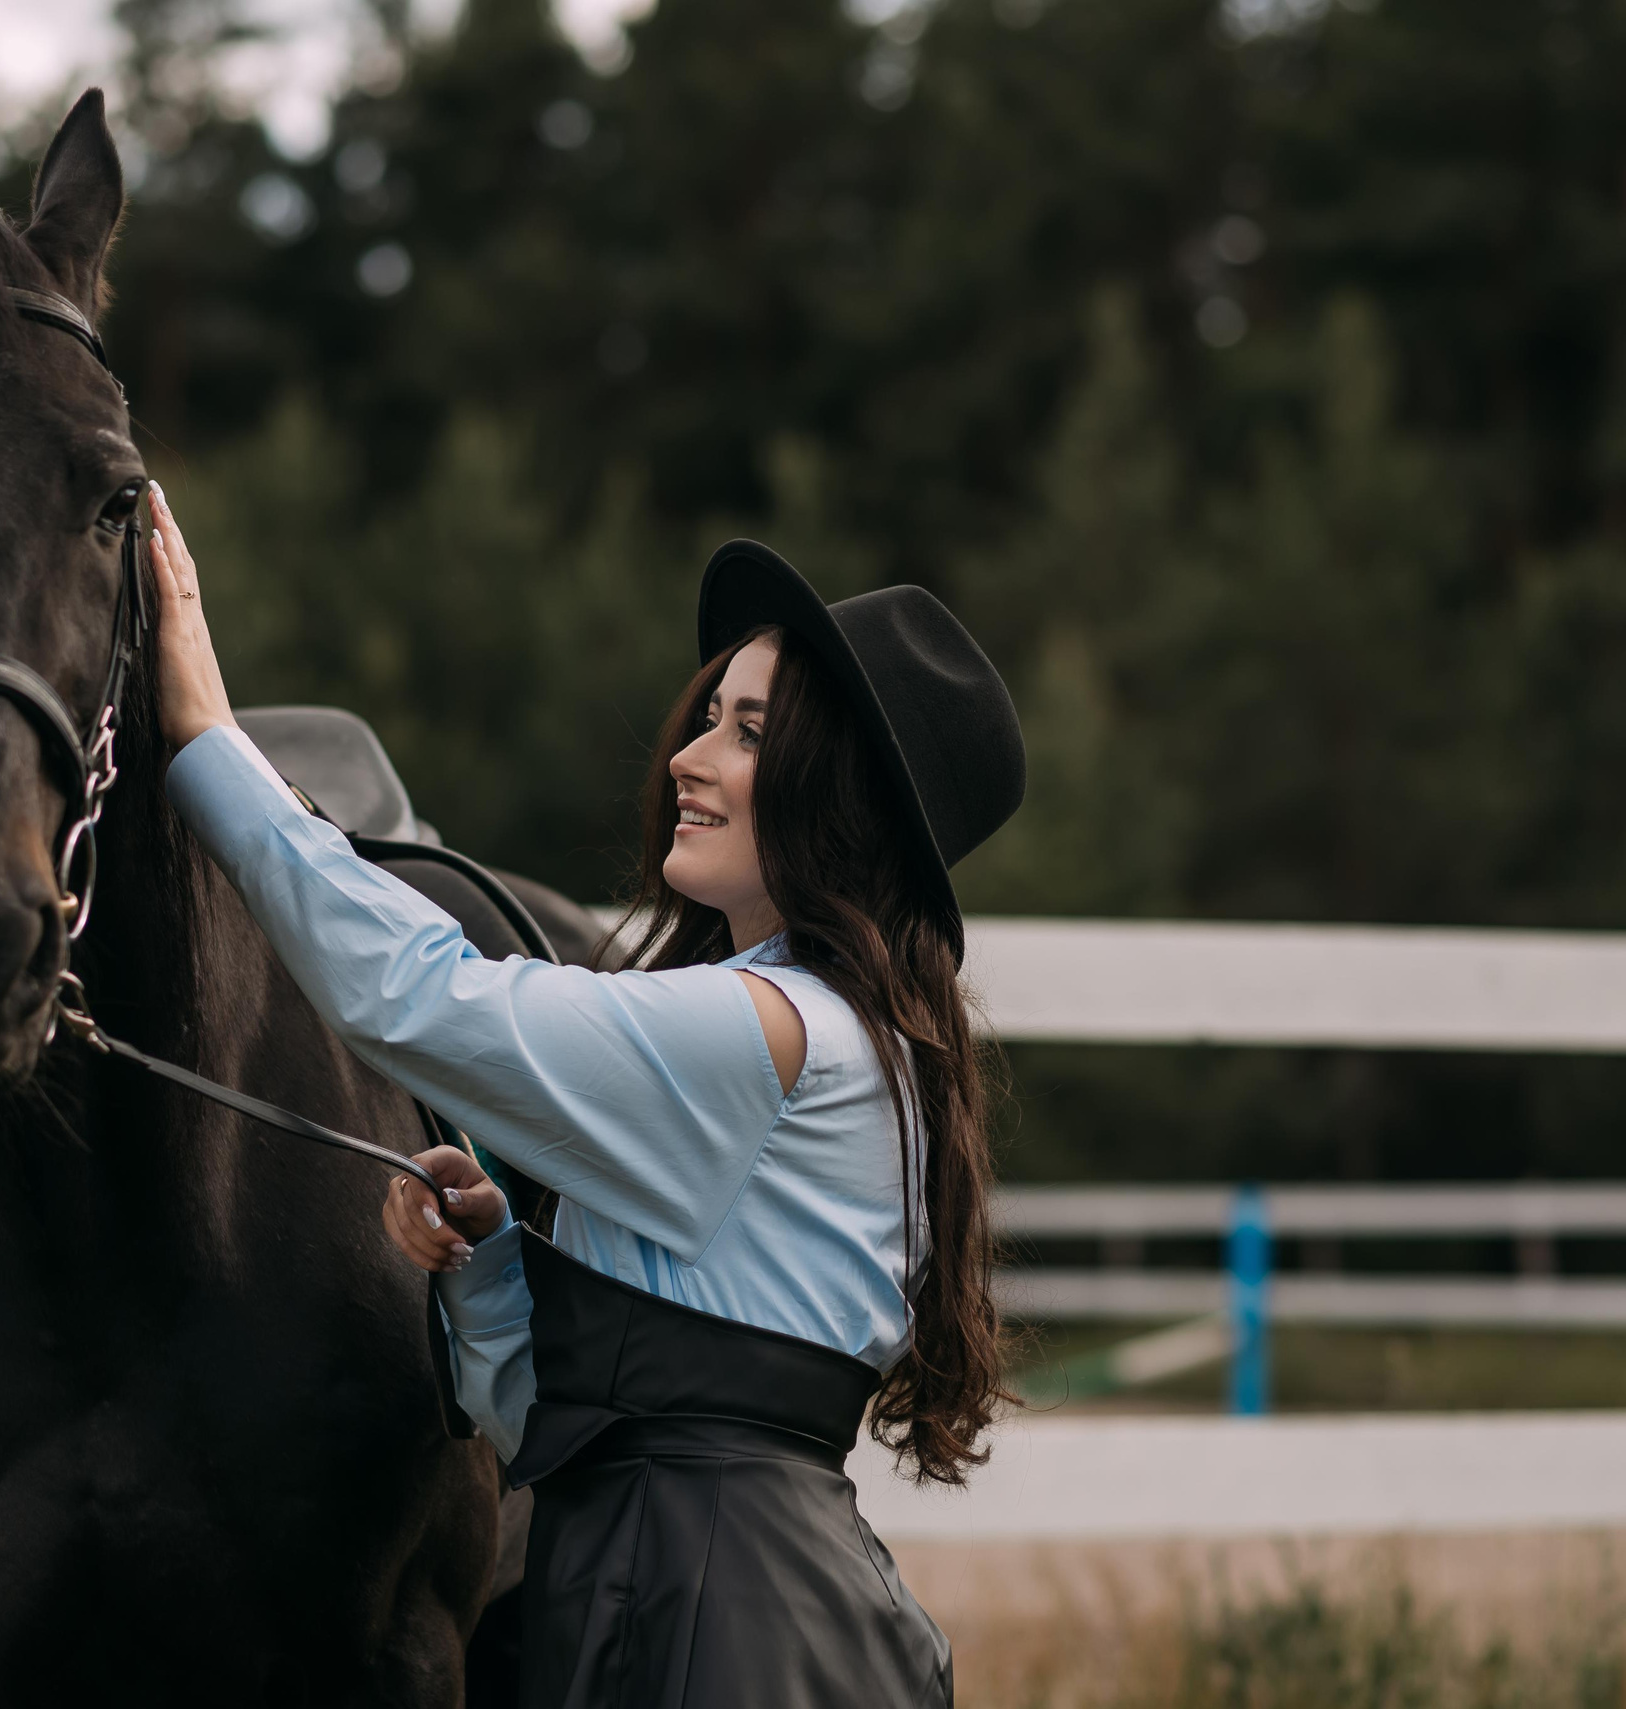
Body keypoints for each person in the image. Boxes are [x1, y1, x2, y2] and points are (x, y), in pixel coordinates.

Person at [145, 481, 1024, 1709]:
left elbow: (418, 992)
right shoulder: (821, 1035)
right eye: (707, 716)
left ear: (846, 796)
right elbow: (553, 1428)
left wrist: (207, 743)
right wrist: (491, 1265)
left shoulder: (773, 1033)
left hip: (725, 1633)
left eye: (750, 733)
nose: (688, 756)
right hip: (670, 1606)